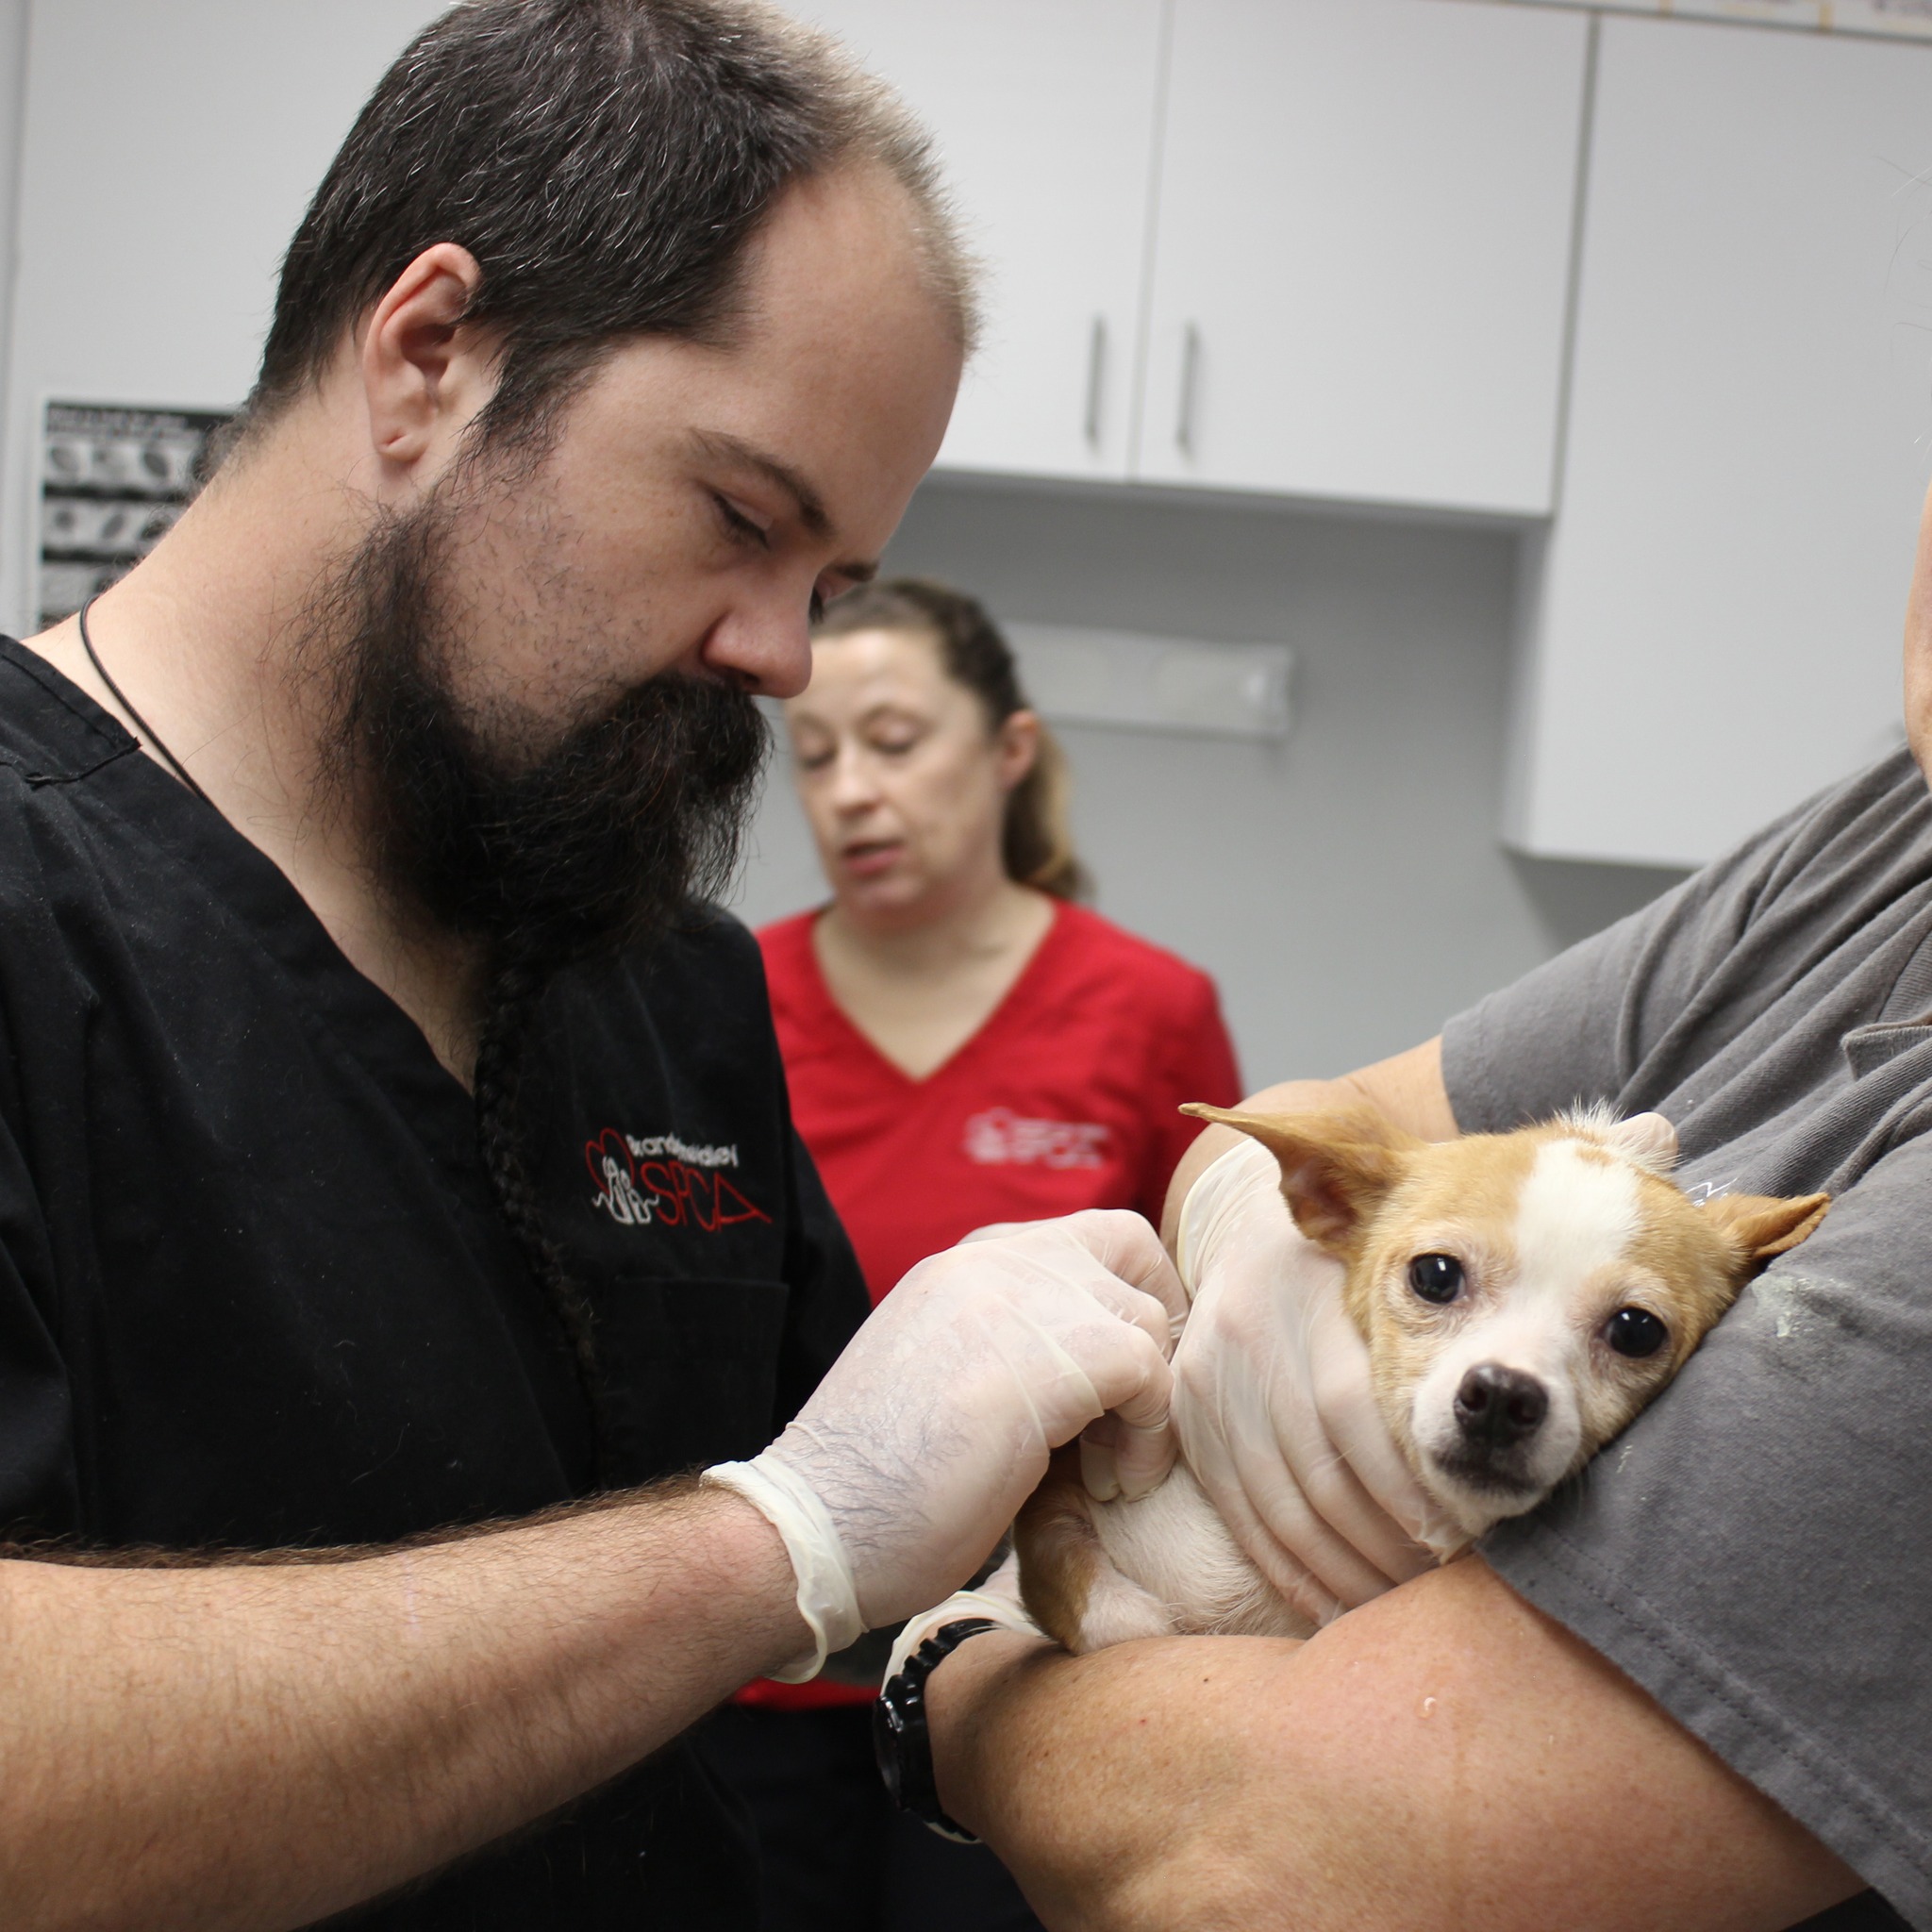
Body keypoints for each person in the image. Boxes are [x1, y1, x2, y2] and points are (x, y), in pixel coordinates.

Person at [0, 6, 1190, 1927]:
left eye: (830, 586)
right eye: (740, 517)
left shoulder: (660, 985)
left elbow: (914, 1569)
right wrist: (765, 1543)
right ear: (427, 357)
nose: (785, 659)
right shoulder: (40, 911)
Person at [887, 573, 1932, 1923]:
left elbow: (1262, 1870)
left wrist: (946, 1677)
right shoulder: (1886, 837)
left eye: (1629, 1330)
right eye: (1442, 1281)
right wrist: (1248, 1204)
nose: (1506, 1372)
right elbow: (1339, 1120)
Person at [698, 578, 1241, 1930]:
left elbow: (1206, 1338)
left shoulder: (1148, 1011)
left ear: (1008, 752)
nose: (850, 792)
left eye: (893, 741)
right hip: (757, 1661)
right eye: (814, 755)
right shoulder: (717, 1000)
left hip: (1021, 1657)